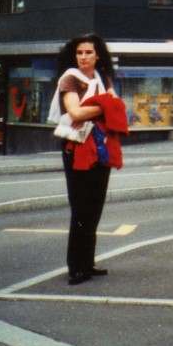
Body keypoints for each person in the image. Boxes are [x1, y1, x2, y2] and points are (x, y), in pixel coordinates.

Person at [50, 33, 121, 285]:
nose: (83, 57)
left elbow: (114, 104)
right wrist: (106, 106)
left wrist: (105, 105)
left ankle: (88, 262)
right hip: (77, 145)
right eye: (79, 52)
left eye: (89, 52)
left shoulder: (103, 78)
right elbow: (76, 112)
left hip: (100, 144)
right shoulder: (70, 79)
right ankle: (76, 266)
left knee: (95, 205)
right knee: (81, 207)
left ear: (98, 55)